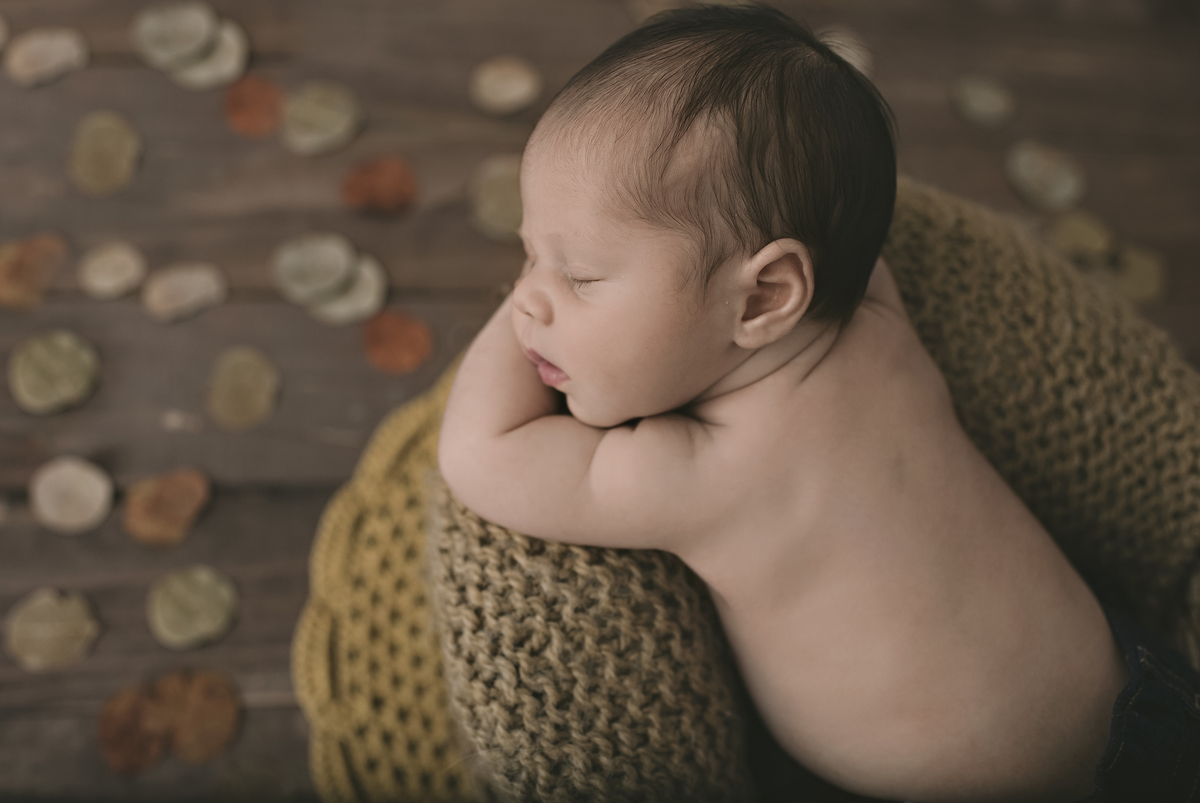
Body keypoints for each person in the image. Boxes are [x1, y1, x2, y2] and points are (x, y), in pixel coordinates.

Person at [437, 5, 1192, 800]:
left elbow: (482, 453)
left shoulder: (708, 471)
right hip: (1140, 689)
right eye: (527, 258)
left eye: (580, 275)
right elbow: (830, 204)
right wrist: (561, 273)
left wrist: (510, 318)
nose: (527, 298)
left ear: (767, 295)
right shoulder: (876, 317)